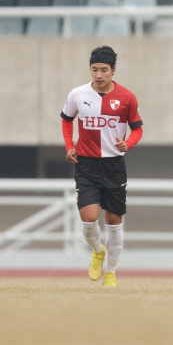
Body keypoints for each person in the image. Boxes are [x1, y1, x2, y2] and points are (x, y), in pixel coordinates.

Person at [61, 46, 143, 288]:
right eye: (94, 69)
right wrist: (69, 145)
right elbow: (66, 120)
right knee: (88, 220)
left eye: (104, 70)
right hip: (86, 164)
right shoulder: (77, 94)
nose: (98, 74)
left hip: (113, 165)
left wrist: (128, 143)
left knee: (114, 220)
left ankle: (112, 272)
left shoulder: (127, 98)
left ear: (113, 70)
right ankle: (97, 251)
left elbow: (138, 128)